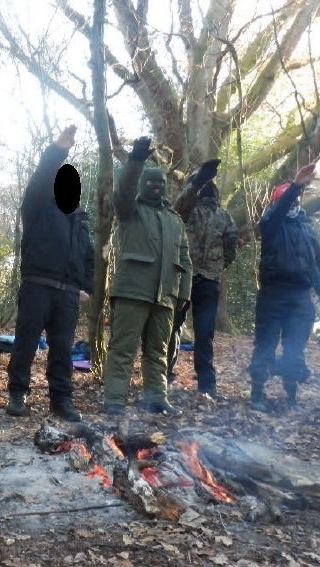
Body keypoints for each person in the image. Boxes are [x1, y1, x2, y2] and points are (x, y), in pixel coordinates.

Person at [5, 125, 95, 422]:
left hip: (68, 294)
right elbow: (42, 176)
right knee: (26, 343)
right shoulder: (39, 207)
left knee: (62, 349)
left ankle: (61, 399)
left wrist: (87, 287)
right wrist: (58, 150)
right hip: (37, 285)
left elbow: (89, 260)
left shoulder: (81, 223)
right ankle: (18, 393)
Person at [102, 136, 192, 417]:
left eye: (161, 184)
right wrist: (136, 160)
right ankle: (115, 400)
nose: (156, 187)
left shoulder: (174, 219)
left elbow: (185, 259)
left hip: (165, 296)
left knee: (158, 352)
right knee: (122, 349)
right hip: (132, 291)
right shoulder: (130, 210)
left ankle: (157, 398)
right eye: (151, 183)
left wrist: (184, 296)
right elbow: (123, 192)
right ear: (143, 184)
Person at [249, 163, 320, 412]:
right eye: (290, 200)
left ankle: (291, 397)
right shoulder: (271, 223)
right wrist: (295, 185)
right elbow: (278, 212)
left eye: (297, 200)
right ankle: (257, 395)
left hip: (300, 298)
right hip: (273, 295)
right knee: (266, 344)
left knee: (295, 349)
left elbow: (315, 265)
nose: (294, 204)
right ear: (281, 201)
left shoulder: (307, 229)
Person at [172, 159, 238, 400]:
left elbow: (231, 247)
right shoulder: (189, 209)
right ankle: (171, 379)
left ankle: (206, 386)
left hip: (201, 279)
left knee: (201, 334)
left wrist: (216, 267)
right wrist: (198, 179)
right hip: (187, 277)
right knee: (179, 330)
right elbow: (231, 249)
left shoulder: (223, 216)